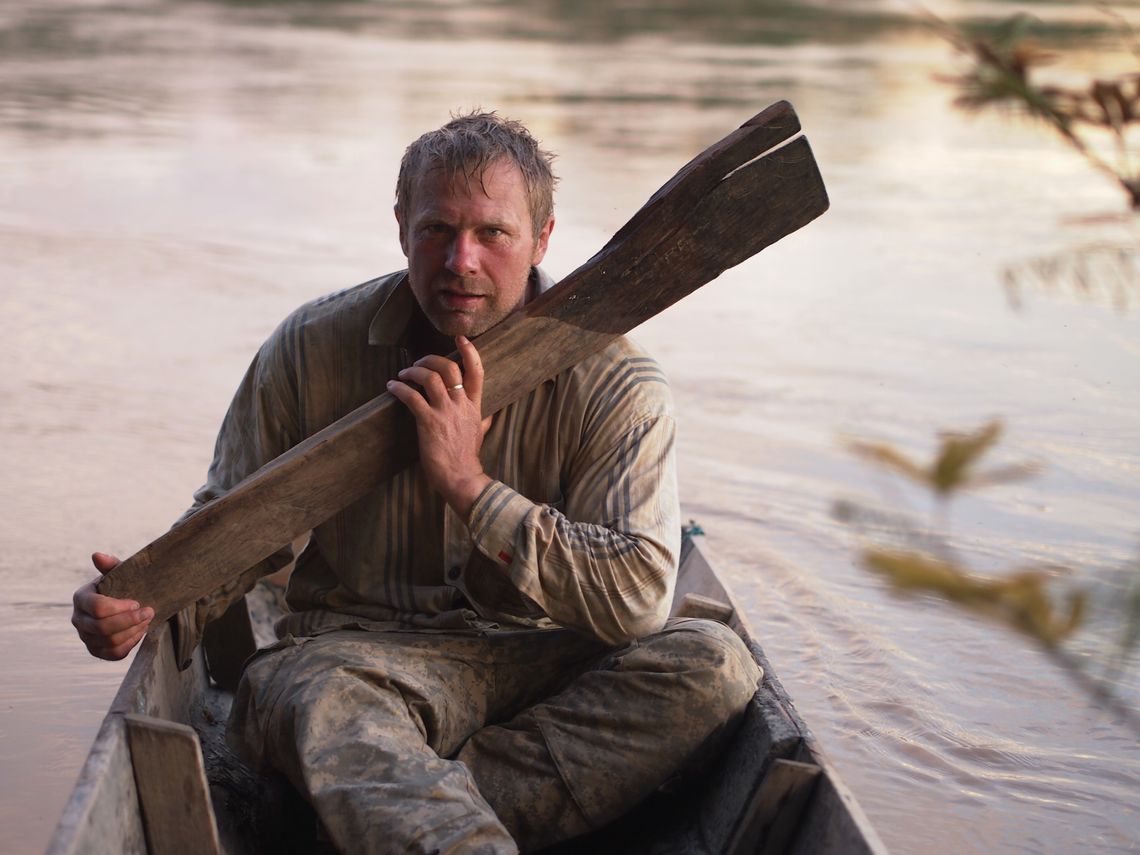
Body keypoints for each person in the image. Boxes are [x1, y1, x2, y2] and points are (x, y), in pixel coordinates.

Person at [71, 112, 761, 854]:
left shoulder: (616, 381)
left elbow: (637, 601)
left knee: (714, 664)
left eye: (493, 233)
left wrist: (471, 487)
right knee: (322, 701)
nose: (462, 260)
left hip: (537, 666)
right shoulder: (310, 349)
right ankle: (413, 814)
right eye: (437, 229)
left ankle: (378, 808)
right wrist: (136, 605)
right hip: (356, 661)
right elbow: (230, 525)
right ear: (401, 226)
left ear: (542, 238)